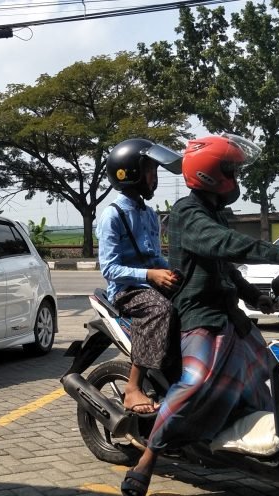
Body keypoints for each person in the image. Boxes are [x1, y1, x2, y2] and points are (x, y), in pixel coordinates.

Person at [120, 134, 279, 496]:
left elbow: (225, 266)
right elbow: (222, 243)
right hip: (199, 313)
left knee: (266, 373)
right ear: (210, 174)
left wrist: (254, 296)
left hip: (229, 315)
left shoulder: (215, 213)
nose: (236, 178)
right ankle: (149, 458)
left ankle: (260, 444)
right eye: (231, 170)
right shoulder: (188, 213)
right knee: (195, 382)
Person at [96, 138, 183, 416]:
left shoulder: (149, 214)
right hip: (126, 291)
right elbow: (109, 269)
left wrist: (172, 271)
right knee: (160, 309)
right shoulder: (112, 216)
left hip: (149, 283)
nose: (154, 178)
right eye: (150, 171)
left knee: (191, 298)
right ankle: (133, 386)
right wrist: (149, 275)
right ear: (130, 173)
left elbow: (154, 256)